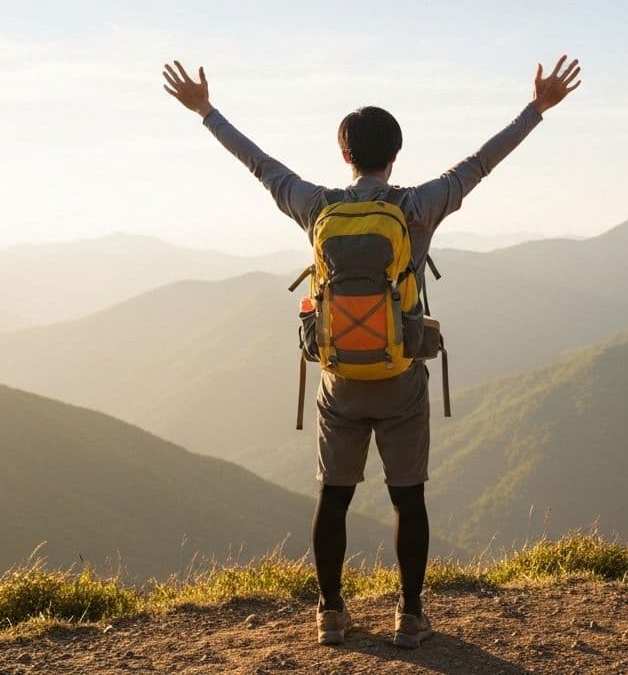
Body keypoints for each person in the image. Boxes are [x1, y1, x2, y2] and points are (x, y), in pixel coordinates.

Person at [162, 55, 581, 648]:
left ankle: (330, 614)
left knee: (334, 497)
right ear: (396, 154)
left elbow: (261, 165)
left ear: (344, 154)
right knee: (408, 498)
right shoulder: (417, 207)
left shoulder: (316, 207)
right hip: (402, 375)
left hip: (339, 381)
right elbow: (481, 164)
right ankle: (409, 617)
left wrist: (206, 111)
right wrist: (536, 109)